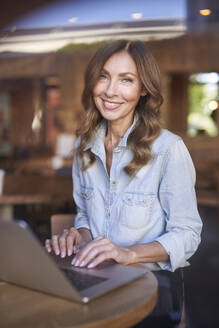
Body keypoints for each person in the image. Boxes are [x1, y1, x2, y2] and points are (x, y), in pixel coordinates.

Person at [45, 40, 202, 327]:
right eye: (103, 76)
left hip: (152, 284)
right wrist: (79, 236)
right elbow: (85, 214)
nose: (110, 91)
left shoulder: (169, 149)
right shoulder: (84, 146)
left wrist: (126, 253)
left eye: (126, 80)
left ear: (143, 89)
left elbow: (188, 234)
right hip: (98, 277)